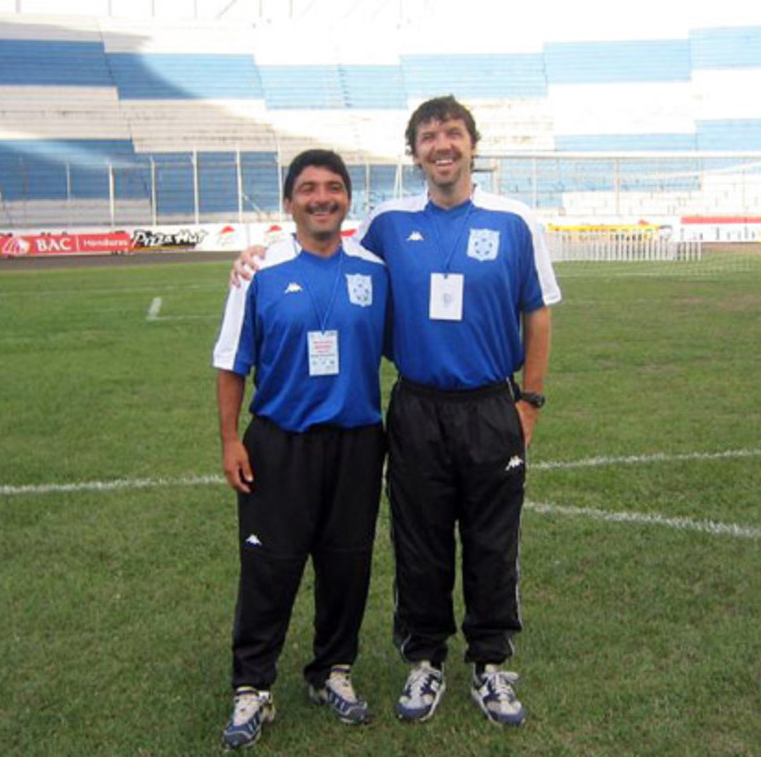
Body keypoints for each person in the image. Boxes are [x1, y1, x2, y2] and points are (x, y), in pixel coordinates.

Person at [232, 95, 561, 728]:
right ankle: (426, 659)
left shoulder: (516, 220)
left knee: (494, 540)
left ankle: (490, 664)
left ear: (472, 144)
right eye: (429, 136)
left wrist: (529, 399)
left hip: (492, 404)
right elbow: (323, 247)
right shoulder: (387, 224)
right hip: (415, 406)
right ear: (413, 152)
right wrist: (257, 255)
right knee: (420, 540)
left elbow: (537, 311)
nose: (443, 145)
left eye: (453, 134)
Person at [212, 149, 390, 749]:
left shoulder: (374, 267)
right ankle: (252, 686)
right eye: (309, 188)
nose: (322, 198)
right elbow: (231, 362)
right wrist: (231, 439)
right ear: (289, 202)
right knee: (270, 567)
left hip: (358, 444)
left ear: (347, 200)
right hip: (280, 444)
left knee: (347, 564)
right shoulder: (258, 269)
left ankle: (331, 672)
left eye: (334, 187)